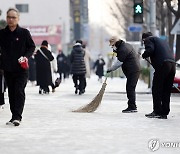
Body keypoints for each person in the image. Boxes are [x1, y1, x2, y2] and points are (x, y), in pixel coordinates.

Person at [0, 8, 35, 126]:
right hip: (8, 69)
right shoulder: (2, 34)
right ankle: (13, 115)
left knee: (19, 91)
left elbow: (31, 47)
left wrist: (25, 57)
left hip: (21, 69)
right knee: (11, 92)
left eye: (13, 17)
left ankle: (17, 116)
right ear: (6, 18)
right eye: (9, 17)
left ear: (18, 19)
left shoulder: (24, 33)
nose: (11, 19)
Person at [141, 32, 176, 119]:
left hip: (163, 65)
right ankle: (164, 112)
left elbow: (150, 50)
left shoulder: (148, 39)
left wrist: (144, 55)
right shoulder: (162, 40)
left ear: (144, 39)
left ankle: (157, 111)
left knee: (156, 88)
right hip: (172, 65)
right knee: (166, 89)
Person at [107, 36, 141, 113]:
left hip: (133, 70)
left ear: (116, 43)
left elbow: (119, 63)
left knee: (130, 88)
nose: (112, 47)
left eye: (112, 45)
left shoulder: (123, 49)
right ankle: (132, 106)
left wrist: (111, 69)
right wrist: (116, 52)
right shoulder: (125, 46)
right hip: (133, 70)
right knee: (130, 88)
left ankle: (132, 107)